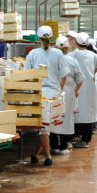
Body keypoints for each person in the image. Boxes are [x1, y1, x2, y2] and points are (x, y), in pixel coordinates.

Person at [25, 26, 69, 166]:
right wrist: (59, 91)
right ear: (52, 38)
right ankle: (35, 155)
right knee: (44, 128)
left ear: (38, 38)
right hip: (54, 93)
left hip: (38, 93)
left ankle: (48, 157)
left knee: (42, 128)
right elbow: (64, 75)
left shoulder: (32, 53)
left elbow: (27, 75)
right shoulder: (58, 53)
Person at [68, 31, 97, 147]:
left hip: (76, 86)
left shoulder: (72, 55)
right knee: (88, 111)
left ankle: (73, 136)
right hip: (89, 86)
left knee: (75, 111)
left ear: (76, 42)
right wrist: (94, 71)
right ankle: (86, 140)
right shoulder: (92, 55)